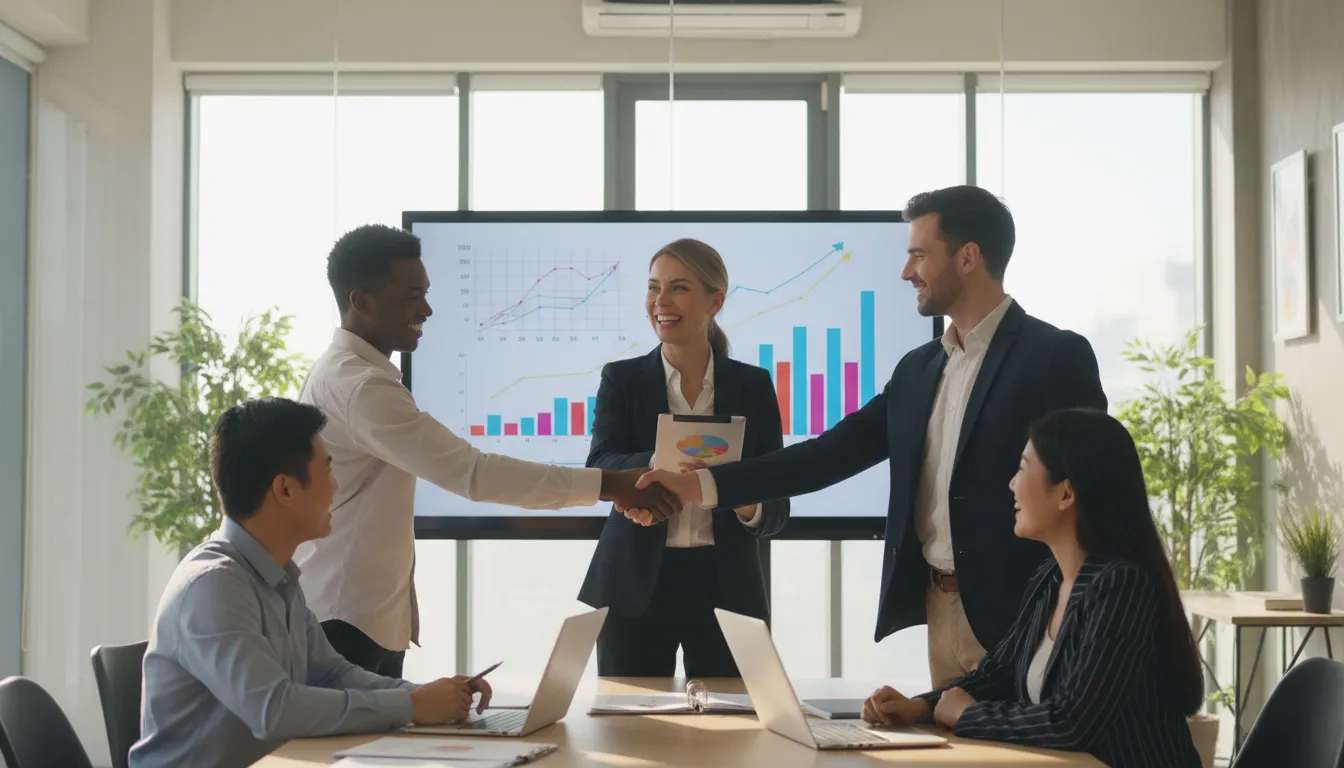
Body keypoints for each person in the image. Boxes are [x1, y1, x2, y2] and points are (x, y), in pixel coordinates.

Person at [638, 186, 1108, 686]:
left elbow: (1092, 495)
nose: (907, 272)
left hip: (1027, 614)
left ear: (968, 257)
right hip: (940, 608)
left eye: (919, 255)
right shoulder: (919, 368)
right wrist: (705, 485)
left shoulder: (1053, 356)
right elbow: (829, 455)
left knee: (1025, 739)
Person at [295, 225, 679, 676]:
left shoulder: (350, 375)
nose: (426, 309)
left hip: (360, 615)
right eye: (412, 297)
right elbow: (474, 473)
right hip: (346, 621)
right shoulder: (361, 387)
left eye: (426, 294)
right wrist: (610, 484)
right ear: (361, 302)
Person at [130, 398, 493, 768]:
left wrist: (431, 695)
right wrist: (411, 705)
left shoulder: (279, 576)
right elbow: (273, 709)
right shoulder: (214, 586)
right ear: (285, 490)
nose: (335, 486)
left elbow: (330, 674)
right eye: (327, 471)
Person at [861, 408, 1204, 768]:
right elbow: (999, 675)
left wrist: (968, 716)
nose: (1012, 485)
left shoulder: (1122, 588)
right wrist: (921, 706)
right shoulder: (1051, 578)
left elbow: (1073, 723)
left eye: (1023, 468)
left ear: (1066, 494)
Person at [577, 239, 789, 677]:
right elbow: (601, 464)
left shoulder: (753, 385)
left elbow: (777, 499)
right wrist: (665, 457)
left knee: (729, 718)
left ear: (715, 302)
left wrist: (740, 498)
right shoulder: (622, 379)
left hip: (727, 587)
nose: (661, 301)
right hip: (633, 584)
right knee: (628, 716)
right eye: (654, 287)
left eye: (678, 288)